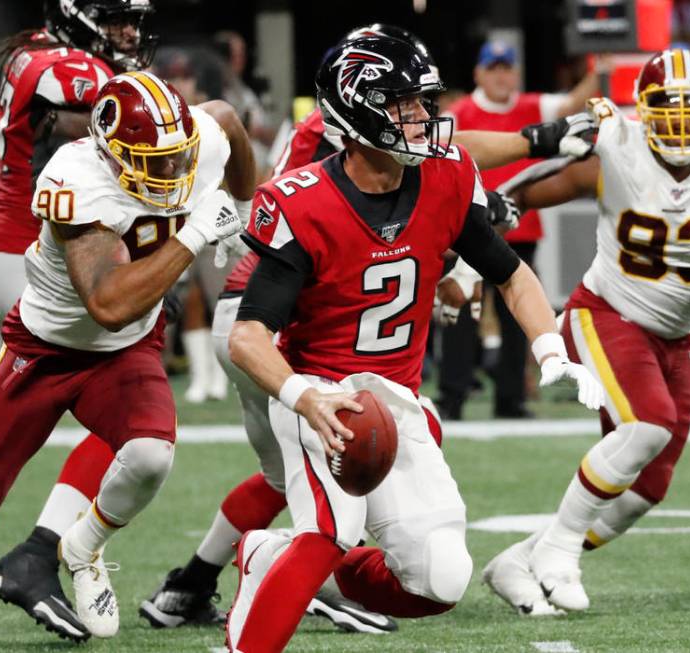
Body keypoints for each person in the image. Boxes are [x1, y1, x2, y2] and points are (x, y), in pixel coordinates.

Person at [138, 23, 581, 636]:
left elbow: (512, 275)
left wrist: (549, 345)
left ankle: (269, 553)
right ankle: (281, 580)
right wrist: (304, 396)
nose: (422, 119)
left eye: (423, 103)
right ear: (356, 115)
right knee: (329, 532)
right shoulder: (303, 201)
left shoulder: (447, 174)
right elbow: (246, 337)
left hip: (397, 394)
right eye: (402, 106)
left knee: (439, 580)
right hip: (323, 389)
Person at [0, 69, 255, 653]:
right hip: (43, 352)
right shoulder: (76, 177)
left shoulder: (190, 141)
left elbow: (232, 125)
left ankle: (82, 546)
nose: (171, 171)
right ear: (111, 154)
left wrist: (241, 207)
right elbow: (108, 303)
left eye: (177, 156)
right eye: (154, 161)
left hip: (124, 352)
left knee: (149, 457)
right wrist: (193, 236)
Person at [483, 48, 690, 616]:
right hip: (607, 312)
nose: (682, 118)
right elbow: (536, 186)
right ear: (643, 109)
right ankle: (561, 553)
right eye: (667, 105)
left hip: (679, 336)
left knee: (647, 490)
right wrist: (497, 213)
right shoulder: (619, 143)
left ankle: (521, 559)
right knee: (648, 426)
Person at [0, 0, 164, 642]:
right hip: (37, 260)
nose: (129, 33)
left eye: (133, 20)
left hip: (2, 250)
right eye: (118, 19)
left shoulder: (40, 53)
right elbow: (103, 107)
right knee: (127, 391)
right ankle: (42, 551)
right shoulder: (63, 63)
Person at [441, 40, 606, 419]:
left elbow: (569, 106)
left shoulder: (532, 105)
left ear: (515, 73)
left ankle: (511, 398)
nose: (501, 74)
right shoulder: (460, 113)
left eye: (506, 67)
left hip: (519, 228)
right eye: (493, 67)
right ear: (479, 73)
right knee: (459, 317)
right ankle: (453, 397)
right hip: (467, 230)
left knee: (521, 319)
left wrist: (601, 71)